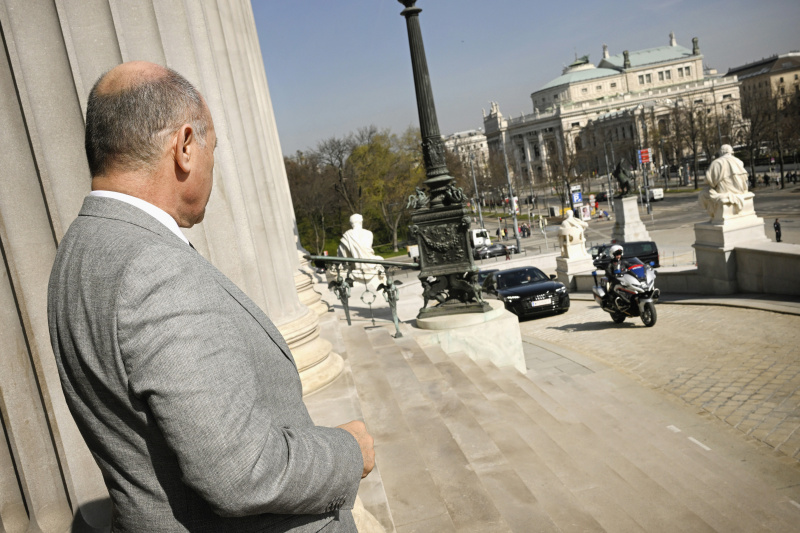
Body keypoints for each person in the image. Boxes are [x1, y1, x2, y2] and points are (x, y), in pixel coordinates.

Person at [47, 61, 373, 532]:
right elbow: (243, 474)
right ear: (183, 147)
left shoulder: (76, 253)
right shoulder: (153, 270)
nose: (213, 164)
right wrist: (348, 451)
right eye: (211, 148)